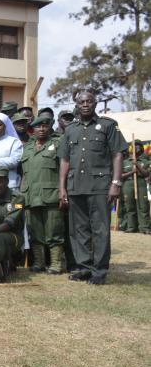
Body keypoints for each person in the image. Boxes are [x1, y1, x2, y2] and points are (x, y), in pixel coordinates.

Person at [58, 91, 126, 285]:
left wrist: (116, 183)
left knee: (100, 230)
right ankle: (84, 267)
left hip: (100, 186)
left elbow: (117, 154)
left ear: (95, 103)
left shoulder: (107, 125)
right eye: (81, 102)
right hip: (75, 186)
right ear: (77, 105)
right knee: (78, 229)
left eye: (89, 101)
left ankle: (100, 270)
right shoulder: (70, 129)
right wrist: (62, 188)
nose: (85, 104)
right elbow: (64, 159)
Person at [21, 115, 65, 273]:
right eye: (38, 127)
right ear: (33, 129)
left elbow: (65, 170)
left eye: (45, 126)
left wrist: (63, 191)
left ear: (49, 127)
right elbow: (24, 173)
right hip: (31, 196)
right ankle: (39, 263)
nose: (41, 129)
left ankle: (56, 264)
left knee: (54, 231)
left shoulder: (58, 144)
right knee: (35, 232)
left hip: (51, 195)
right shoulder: (28, 148)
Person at [0, 166, 25, 273]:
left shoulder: (17, 198)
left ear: (7, 181)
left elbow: (9, 223)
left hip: (14, 236)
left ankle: (8, 265)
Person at [120, 140, 151, 234]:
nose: (137, 147)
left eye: (139, 146)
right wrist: (131, 172)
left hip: (140, 183)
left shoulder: (145, 161)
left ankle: (145, 227)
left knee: (143, 206)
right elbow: (120, 175)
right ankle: (131, 226)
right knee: (129, 206)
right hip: (128, 185)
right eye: (135, 146)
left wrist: (137, 164)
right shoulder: (124, 162)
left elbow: (146, 174)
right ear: (131, 148)